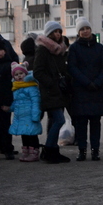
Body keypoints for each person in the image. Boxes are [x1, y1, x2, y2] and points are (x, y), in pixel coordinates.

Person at [67, 18, 103, 161]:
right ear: (78, 32)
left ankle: (95, 150)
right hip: (81, 90)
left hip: (97, 90)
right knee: (81, 123)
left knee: (96, 122)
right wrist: (86, 82)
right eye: (82, 29)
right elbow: (72, 68)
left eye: (87, 28)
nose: (85, 31)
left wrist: (97, 82)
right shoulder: (74, 48)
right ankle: (82, 150)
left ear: (91, 30)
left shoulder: (99, 48)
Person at [34, 21, 70, 163]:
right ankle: (49, 149)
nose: (58, 34)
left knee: (54, 120)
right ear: (49, 33)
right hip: (49, 92)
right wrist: (52, 84)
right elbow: (38, 72)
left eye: (59, 32)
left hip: (59, 91)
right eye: (55, 32)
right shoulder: (43, 49)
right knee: (60, 120)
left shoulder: (59, 50)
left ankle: (53, 151)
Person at [9, 62, 42, 162]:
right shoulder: (16, 88)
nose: (19, 76)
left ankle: (34, 152)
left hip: (30, 115)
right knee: (24, 134)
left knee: (31, 134)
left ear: (26, 74)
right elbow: (16, 102)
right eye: (16, 74)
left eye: (21, 74)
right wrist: (10, 108)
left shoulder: (31, 87)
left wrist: (36, 115)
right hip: (20, 116)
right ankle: (26, 150)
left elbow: (36, 101)